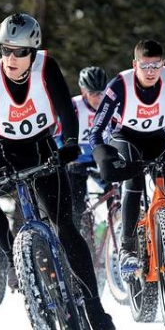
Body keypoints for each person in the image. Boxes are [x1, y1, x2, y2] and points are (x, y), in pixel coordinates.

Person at [0, 13, 115, 330]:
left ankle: (94, 307)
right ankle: (14, 259)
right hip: (3, 150)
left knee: (65, 225)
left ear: (33, 51)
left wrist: (69, 142)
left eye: (20, 51)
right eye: (5, 50)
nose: (11, 58)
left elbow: (66, 111)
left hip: (42, 148)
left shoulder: (46, 68)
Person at [89, 40, 165, 280]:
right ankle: (127, 249)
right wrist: (103, 157)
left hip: (158, 138)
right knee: (135, 180)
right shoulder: (119, 85)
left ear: (163, 64)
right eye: (145, 66)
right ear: (135, 64)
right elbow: (96, 130)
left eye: (156, 65)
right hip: (126, 138)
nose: (150, 72)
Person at [57, 66, 110, 230]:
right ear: (83, 91)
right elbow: (58, 137)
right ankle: (80, 232)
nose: (98, 98)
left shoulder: (112, 104)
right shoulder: (74, 106)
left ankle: (113, 230)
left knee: (118, 193)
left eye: (102, 92)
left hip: (100, 158)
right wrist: (66, 157)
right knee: (76, 205)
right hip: (77, 161)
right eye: (93, 93)